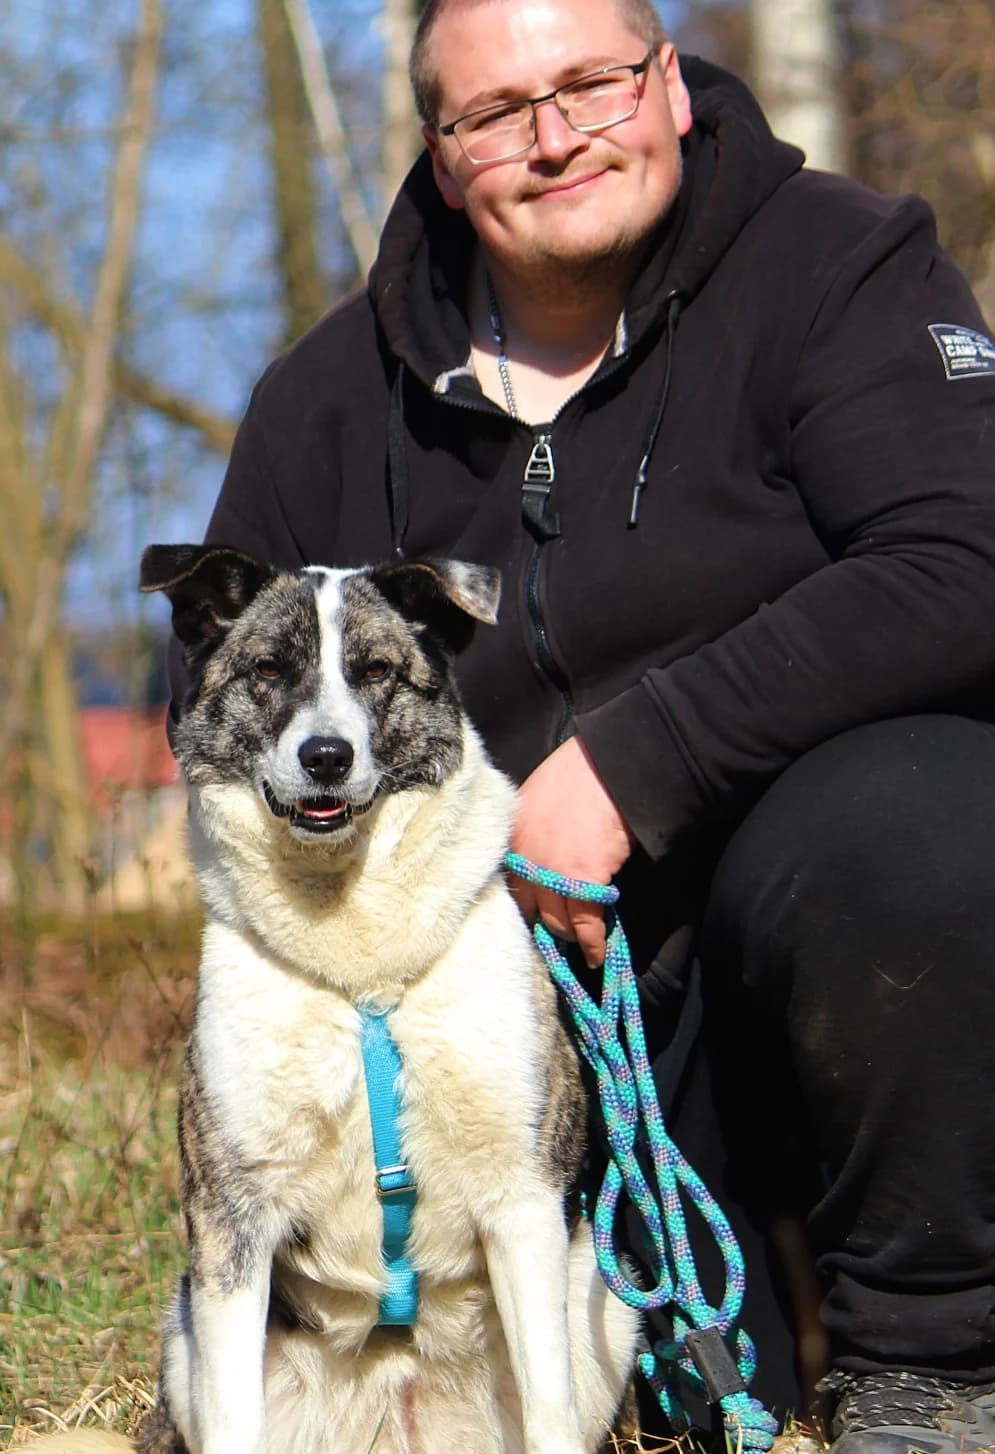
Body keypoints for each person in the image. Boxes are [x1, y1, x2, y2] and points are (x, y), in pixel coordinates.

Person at [171, 0, 995, 1447]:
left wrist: (636, 761)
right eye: (495, 112)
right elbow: (222, 712)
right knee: (684, 1399)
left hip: (810, 964)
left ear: (669, 82)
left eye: (594, 83)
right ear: (442, 156)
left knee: (924, 816)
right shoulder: (323, 400)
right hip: (523, 1044)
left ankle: (936, 1360)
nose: (556, 139)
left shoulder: (840, 266)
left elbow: (967, 556)